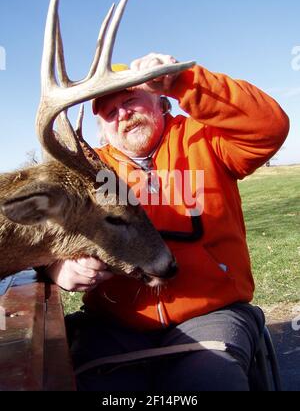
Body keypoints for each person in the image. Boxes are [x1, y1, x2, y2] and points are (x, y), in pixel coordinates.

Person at [44, 54, 289, 391]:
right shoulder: (87, 171)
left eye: (131, 100)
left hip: (210, 315)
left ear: (160, 102)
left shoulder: (206, 140)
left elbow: (269, 127)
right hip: (116, 327)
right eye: (110, 113)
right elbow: (39, 236)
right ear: (101, 129)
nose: (124, 115)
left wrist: (183, 81)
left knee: (207, 383)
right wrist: (58, 268)